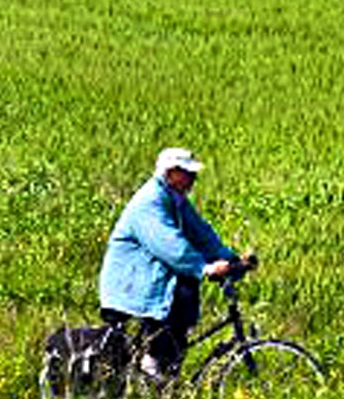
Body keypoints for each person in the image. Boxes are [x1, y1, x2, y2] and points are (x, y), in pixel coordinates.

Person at [98, 147, 241, 380]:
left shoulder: (176, 200)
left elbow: (202, 234)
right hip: (131, 283)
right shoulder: (150, 201)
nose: (193, 178)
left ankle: (165, 369)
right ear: (171, 172)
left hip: (153, 277)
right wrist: (204, 268)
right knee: (180, 295)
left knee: (184, 299)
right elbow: (170, 245)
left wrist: (230, 259)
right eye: (188, 173)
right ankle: (153, 367)